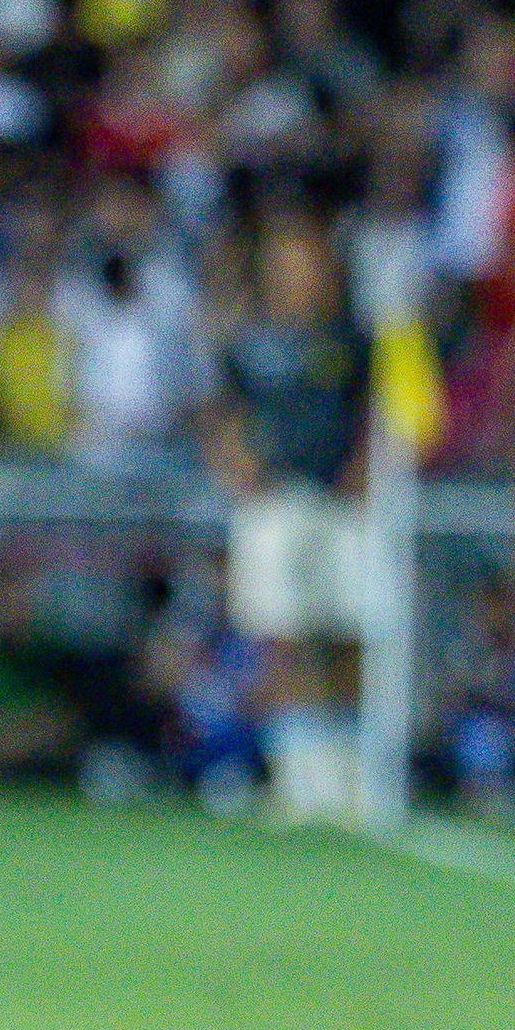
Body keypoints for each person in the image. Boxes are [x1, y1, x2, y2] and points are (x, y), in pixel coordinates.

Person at [210, 213, 377, 825]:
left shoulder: (353, 341)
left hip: (340, 505)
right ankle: (301, 777)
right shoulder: (248, 342)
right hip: (275, 504)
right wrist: (238, 466)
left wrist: (363, 471)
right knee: (281, 636)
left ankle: (353, 772)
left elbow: (377, 415)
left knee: (345, 632)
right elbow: (223, 413)